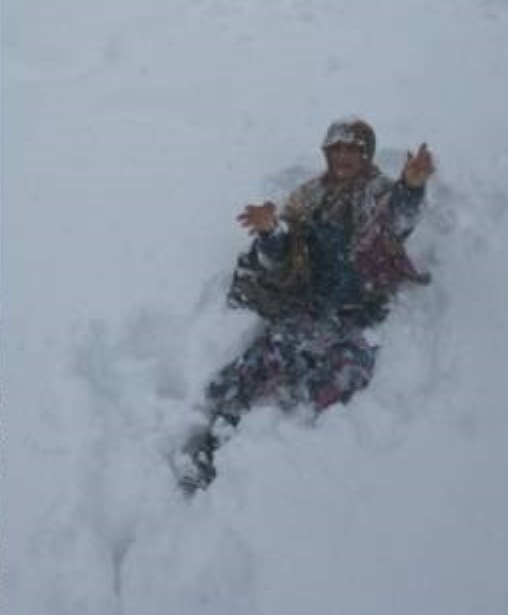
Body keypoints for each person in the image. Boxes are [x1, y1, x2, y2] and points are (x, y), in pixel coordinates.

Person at [175, 117, 435, 493]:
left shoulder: (377, 193)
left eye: (353, 150)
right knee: (260, 362)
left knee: (340, 379)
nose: (344, 157)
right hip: (310, 308)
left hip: (357, 315)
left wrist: (411, 186)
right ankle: (211, 448)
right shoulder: (308, 197)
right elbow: (282, 258)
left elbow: (396, 219)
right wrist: (270, 232)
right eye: (337, 149)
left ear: (367, 155)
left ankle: (288, 462)